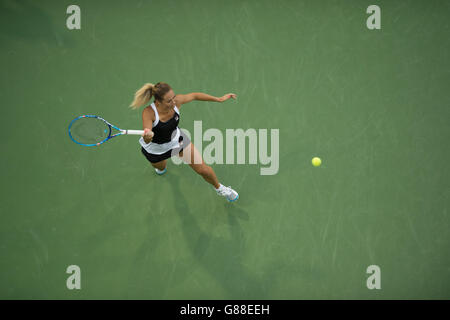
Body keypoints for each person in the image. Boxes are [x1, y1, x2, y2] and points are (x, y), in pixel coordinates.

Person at [129, 82, 239, 202]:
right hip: (156, 150)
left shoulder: (176, 101)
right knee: (161, 168)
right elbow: (147, 137)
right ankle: (160, 168)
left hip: (177, 142)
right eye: (169, 101)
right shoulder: (149, 112)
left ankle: (220, 188)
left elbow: (195, 96)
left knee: (203, 169)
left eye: (173, 97)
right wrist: (148, 136)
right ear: (158, 102)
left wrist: (218, 99)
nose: (174, 102)